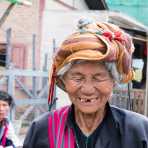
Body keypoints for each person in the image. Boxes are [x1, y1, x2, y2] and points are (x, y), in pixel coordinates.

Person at [23, 18, 148, 148]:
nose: (88, 89)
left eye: (98, 78)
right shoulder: (43, 129)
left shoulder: (138, 130)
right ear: (64, 80)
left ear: (114, 81)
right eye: (77, 78)